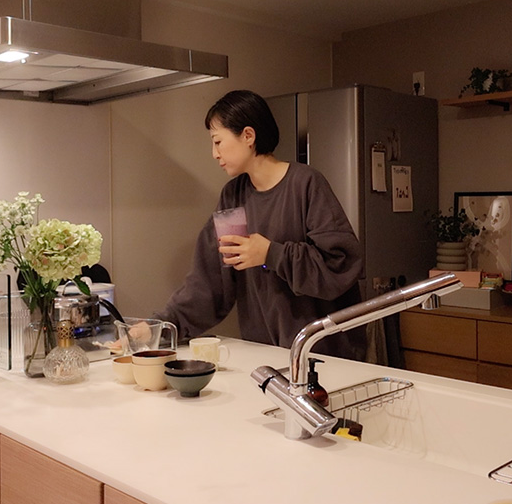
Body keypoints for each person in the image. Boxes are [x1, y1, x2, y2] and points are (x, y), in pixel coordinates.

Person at [153, 90, 366, 360]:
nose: (214, 153)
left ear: (248, 136)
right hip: (266, 355)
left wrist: (271, 253)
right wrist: (160, 329)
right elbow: (209, 282)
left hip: (323, 357)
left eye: (218, 141)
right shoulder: (233, 196)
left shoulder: (305, 184)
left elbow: (341, 264)